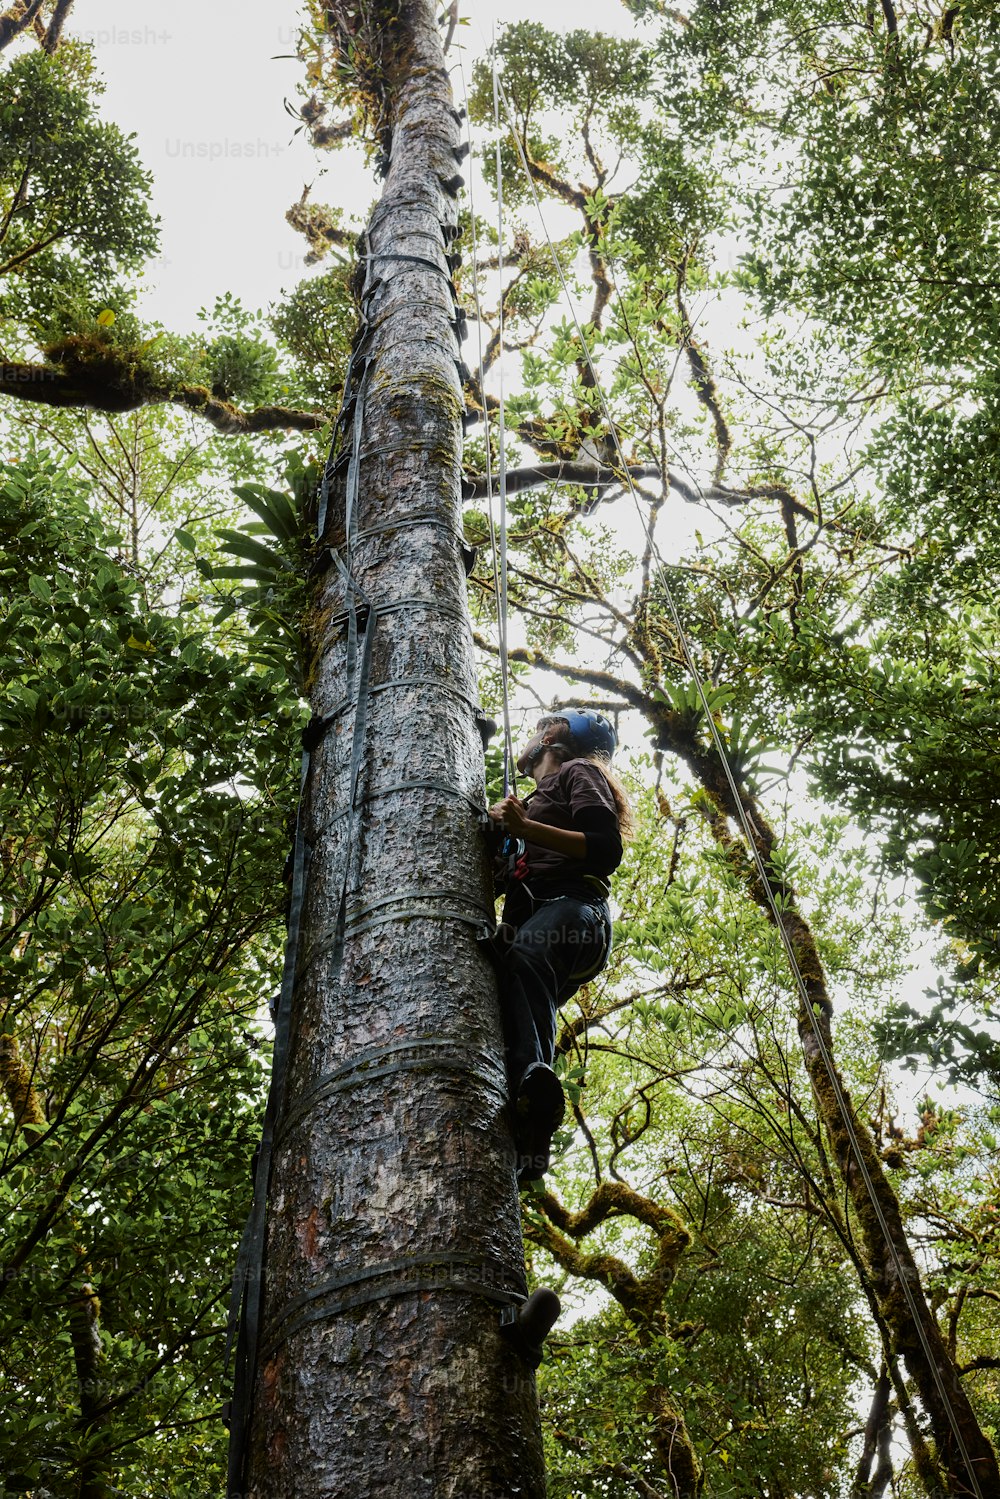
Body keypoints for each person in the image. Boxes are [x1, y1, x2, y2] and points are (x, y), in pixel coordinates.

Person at [485, 708, 630, 1183]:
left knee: (525, 957)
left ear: (551, 736)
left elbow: (605, 848)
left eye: (536, 730)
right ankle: (528, 1132)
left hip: (573, 911)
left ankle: (535, 1077)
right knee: (508, 1007)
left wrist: (525, 829)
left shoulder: (577, 772)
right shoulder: (529, 801)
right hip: (543, 924)